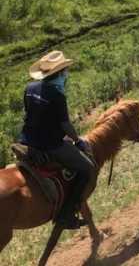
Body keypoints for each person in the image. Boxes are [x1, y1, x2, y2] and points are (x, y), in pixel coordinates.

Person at [19, 50, 96, 229]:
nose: (65, 75)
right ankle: (66, 214)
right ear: (60, 73)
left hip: (27, 138)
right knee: (88, 167)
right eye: (64, 72)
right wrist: (78, 141)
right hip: (49, 143)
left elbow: (30, 112)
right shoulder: (57, 95)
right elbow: (65, 125)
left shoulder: (29, 88)